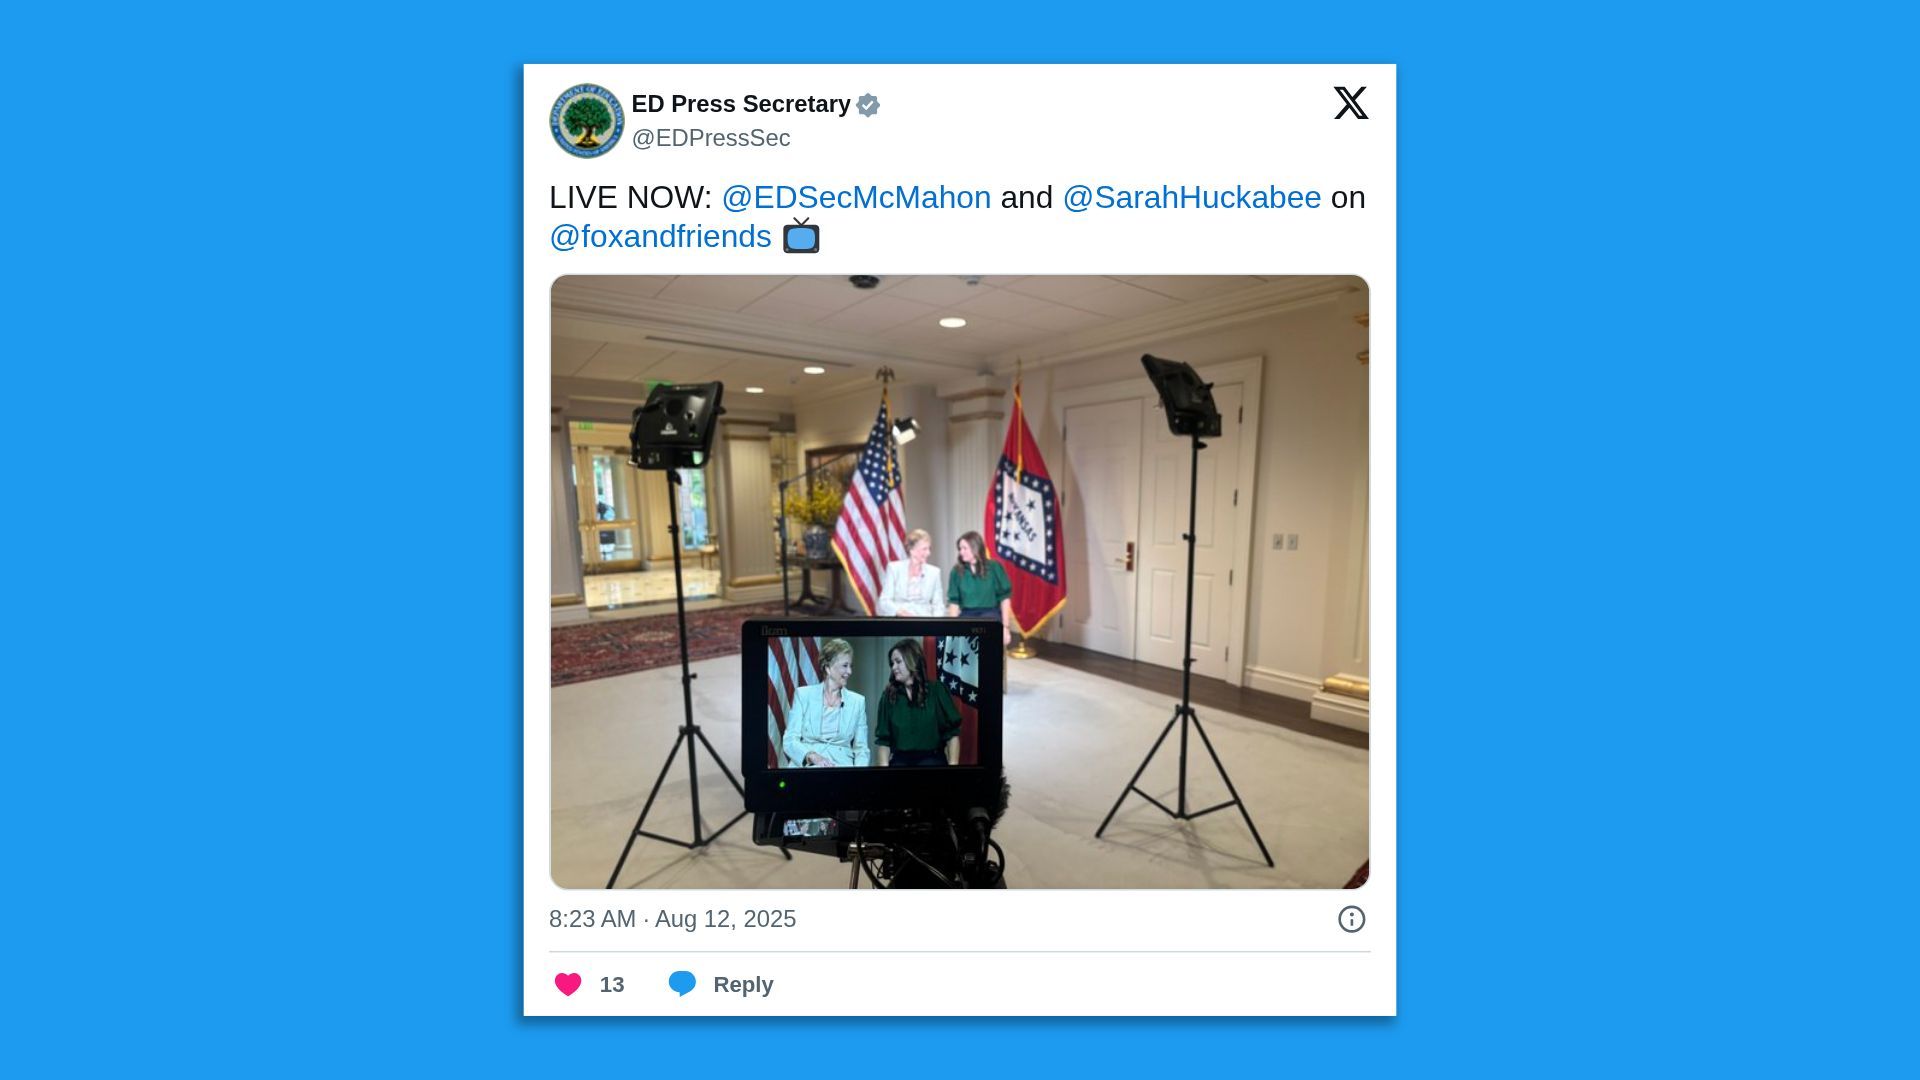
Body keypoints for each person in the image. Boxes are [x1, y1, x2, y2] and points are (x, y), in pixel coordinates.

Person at [781, 638, 870, 767]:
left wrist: (858, 778)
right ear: (828, 668)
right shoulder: (803, 696)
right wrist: (811, 756)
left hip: (842, 768)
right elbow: (790, 740)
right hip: (807, 767)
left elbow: (861, 749)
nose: (849, 671)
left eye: (851, 666)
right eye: (845, 666)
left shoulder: (858, 702)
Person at [874, 637, 962, 767]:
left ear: (912, 661)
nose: (894, 667)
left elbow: (952, 735)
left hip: (932, 762)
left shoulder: (937, 690)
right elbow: (883, 742)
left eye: (898, 662)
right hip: (900, 762)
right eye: (892, 663)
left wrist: (953, 768)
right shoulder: (888, 696)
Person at [947, 530, 1014, 648]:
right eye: (960, 548)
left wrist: (1006, 628)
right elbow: (954, 603)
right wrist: (952, 629)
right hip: (967, 615)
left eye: (964, 548)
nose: (961, 552)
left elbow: (1005, 599)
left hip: (991, 615)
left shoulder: (994, 567)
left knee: (987, 647)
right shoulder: (956, 572)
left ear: (976, 547)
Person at [877, 528, 944, 617]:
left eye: (929, 549)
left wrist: (936, 626)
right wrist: (899, 612)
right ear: (912, 550)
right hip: (899, 620)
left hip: (925, 623)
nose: (928, 553)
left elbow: (938, 605)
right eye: (924, 549)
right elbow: (884, 601)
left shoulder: (934, 572)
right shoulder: (894, 569)